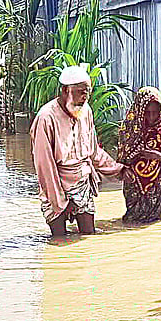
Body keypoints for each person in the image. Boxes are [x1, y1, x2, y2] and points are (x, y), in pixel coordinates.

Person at [30, 65, 123, 237]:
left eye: (87, 92)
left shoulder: (85, 110)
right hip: (55, 186)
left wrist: (118, 170)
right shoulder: (46, 118)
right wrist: (60, 202)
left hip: (82, 182)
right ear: (65, 91)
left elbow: (93, 151)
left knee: (88, 236)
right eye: (80, 92)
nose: (85, 97)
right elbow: (45, 167)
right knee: (58, 241)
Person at [117, 87, 161, 224]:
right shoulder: (130, 129)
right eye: (147, 113)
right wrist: (125, 168)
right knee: (133, 219)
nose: (151, 117)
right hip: (136, 186)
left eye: (155, 113)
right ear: (139, 110)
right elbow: (122, 158)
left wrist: (158, 156)